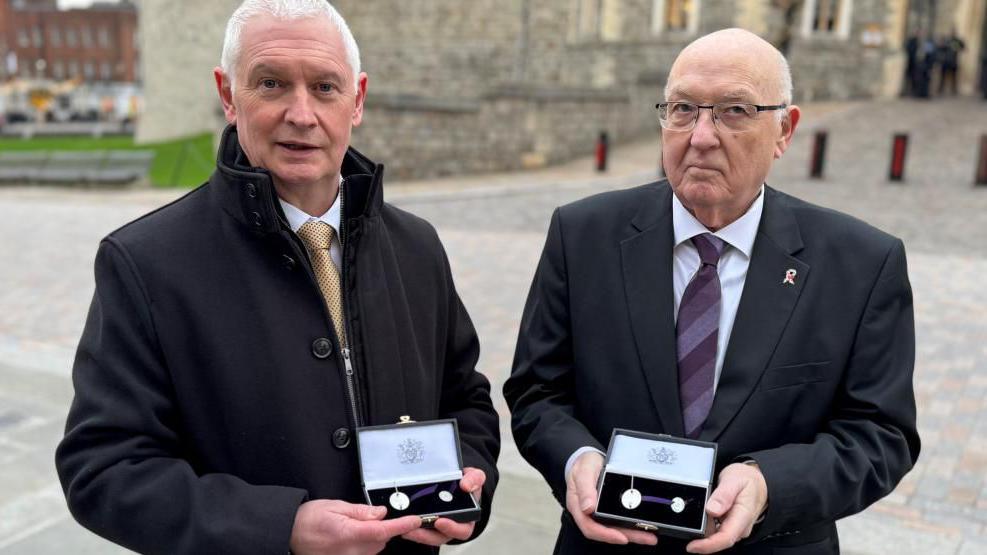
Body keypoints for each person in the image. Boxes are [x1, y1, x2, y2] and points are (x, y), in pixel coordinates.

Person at [55, 1, 500, 554]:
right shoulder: (145, 262)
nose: (301, 113)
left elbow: (466, 399)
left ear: (357, 99)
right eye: (271, 84)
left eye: (325, 88)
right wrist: (278, 527)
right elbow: (102, 470)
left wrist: (470, 479)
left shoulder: (417, 245)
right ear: (227, 95)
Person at [504, 28, 919, 554]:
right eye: (682, 109)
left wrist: (770, 484)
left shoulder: (860, 264)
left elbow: (881, 435)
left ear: (784, 131)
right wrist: (575, 460)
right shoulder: (583, 235)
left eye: (735, 111)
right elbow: (537, 392)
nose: (701, 135)